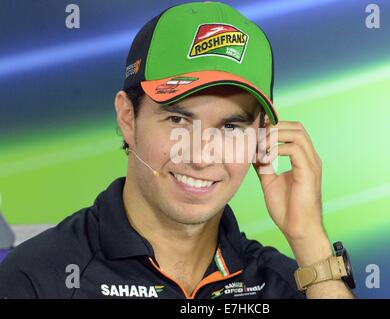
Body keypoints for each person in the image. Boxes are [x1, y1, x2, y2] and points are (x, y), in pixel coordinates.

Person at [0, 2, 355, 299]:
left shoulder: (288, 282)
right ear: (128, 117)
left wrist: (309, 238)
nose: (201, 156)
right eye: (178, 121)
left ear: (262, 137)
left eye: (230, 127)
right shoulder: (38, 279)